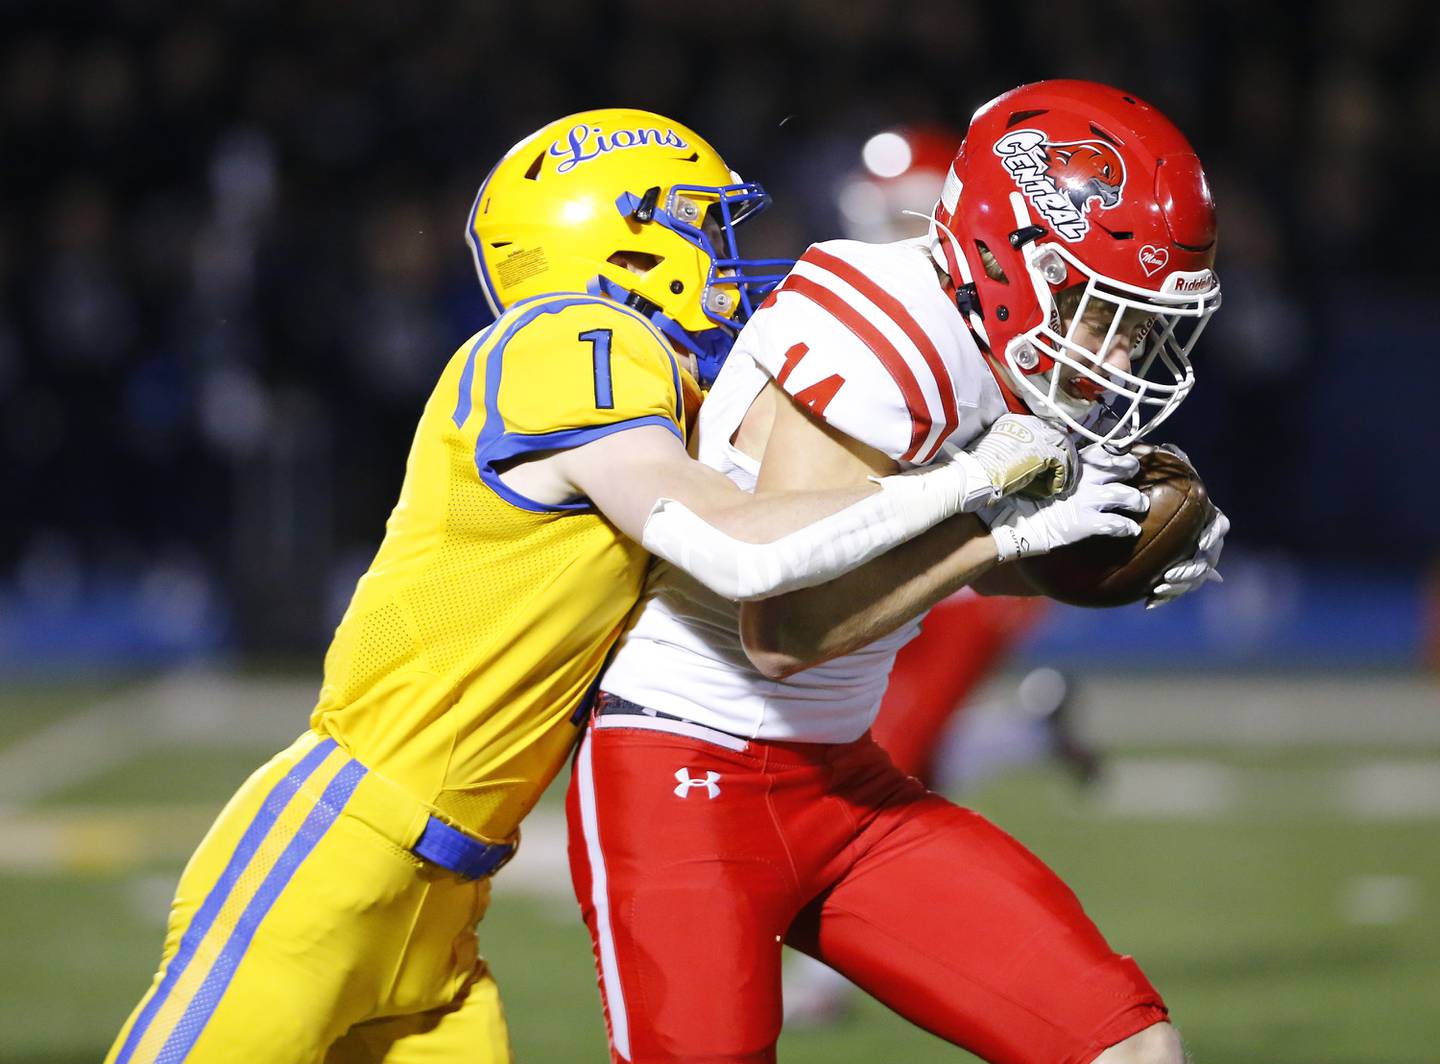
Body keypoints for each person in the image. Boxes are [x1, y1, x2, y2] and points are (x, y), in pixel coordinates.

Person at [105, 108, 1078, 1064]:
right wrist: (975, 481)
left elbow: (810, 546)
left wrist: (1030, 528)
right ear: (626, 245)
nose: (728, 253)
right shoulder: (571, 343)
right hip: (338, 851)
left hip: (442, 898)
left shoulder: (644, 384)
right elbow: (741, 547)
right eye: (702, 224)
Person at [566, 80, 1228, 1064]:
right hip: (682, 775)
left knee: (1126, 1046)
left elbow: (909, 558)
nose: (1124, 349)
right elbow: (784, 626)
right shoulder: (883, 328)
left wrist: (1086, 543)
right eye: (1108, 312)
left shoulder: (986, 337)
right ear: (1026, 261)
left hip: (841, 780)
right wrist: (1002, 535)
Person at [785, 124, 1097, 1028]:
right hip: (922, 545)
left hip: (976, 558)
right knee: (884, 746)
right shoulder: (882, 305)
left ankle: (824, 979)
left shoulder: (997, 311)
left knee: (887, 749)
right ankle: (1030, 738)